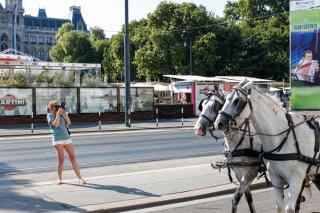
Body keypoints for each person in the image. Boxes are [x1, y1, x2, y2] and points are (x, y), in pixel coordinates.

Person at [47, 100, 86, 185]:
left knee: (72, 157)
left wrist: (64, 114)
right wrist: (57, 114)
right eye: (55, 106)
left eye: (57, 106)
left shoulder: (61, 114)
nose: (57, 108)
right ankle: (59, 178)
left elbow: (69, 122)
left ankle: (80, 178)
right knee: (61, 159)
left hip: (67, 138)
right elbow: (56, 125)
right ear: (52, 108)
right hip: (58, 139)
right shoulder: (49, 115)